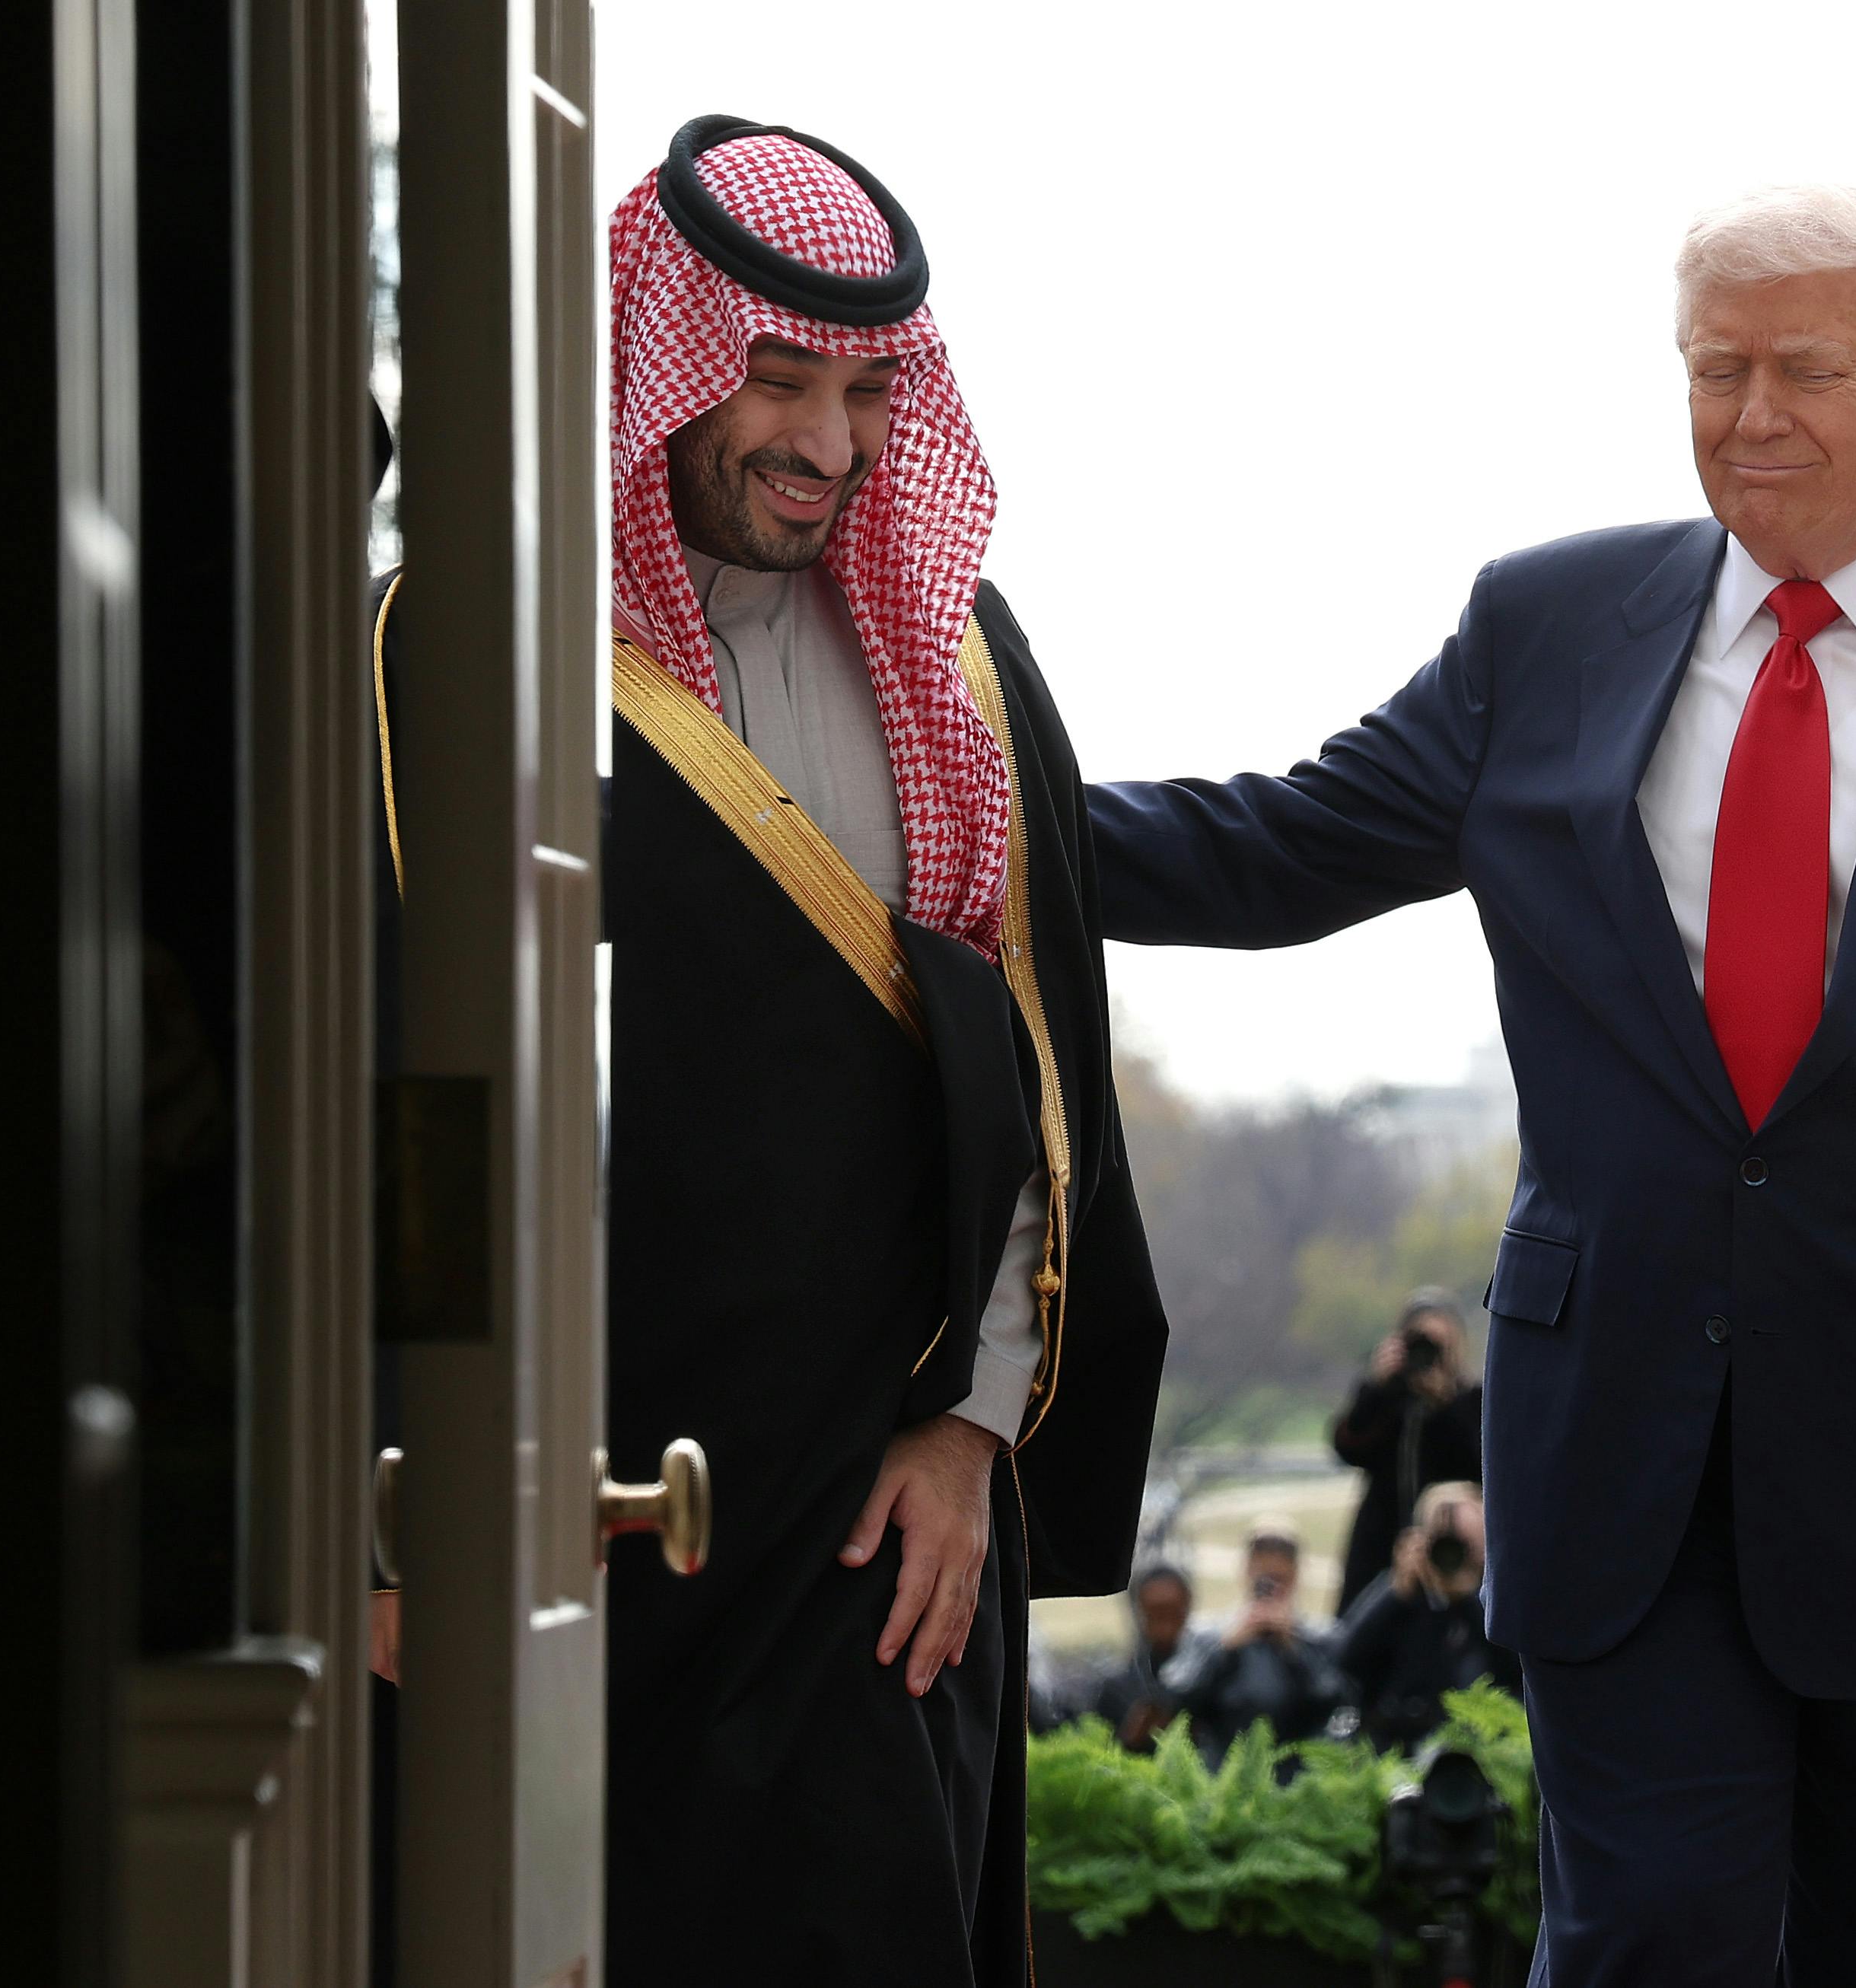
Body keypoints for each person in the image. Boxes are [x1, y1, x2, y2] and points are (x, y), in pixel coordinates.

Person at [1087, 184, 1856, 1986]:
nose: (1749, 413)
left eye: (1804, 370)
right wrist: (970, 807)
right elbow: (1279, 847)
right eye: (1712, 368)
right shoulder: (1546, 627)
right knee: (1646, 1935)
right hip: (1626, 1463)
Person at [368, 118, 1168, 1984]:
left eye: (867, 388)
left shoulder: (960, 662)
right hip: (543, 1515)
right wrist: (388, 1512)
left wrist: (974, 1425)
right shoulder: (451, 651)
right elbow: (394, 1101)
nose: (827, 440)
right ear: (657, 350)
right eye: (776, 377)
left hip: (864, 1518)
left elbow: (1042, 1086)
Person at [1335, 1481, 1520, 1754]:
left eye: (1473, 1546)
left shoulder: (1499, 1597)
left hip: (1483, 1748)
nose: (1458, 1557)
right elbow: (1344, 1659)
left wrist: (1470, 1599)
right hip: (1398, 1747)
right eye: (1449, 1543)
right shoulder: (1401, 1596)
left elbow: (1515, 1667)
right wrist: (1396, 1594)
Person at [1332, 1289, 1485, 1607]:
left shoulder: (1471, 1401)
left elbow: (1481, 1467)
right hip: (1381, 1542)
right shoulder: (1388, 1400)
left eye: (1439, 1346)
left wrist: (1445, 1405)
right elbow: (1348, 1448)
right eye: (1420, 1343)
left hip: (1452, 1545)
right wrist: (1375, 1386)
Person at [1165, 1524, 1349, 1761]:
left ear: (1295, 1575)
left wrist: (1293, 1649)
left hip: (1298, 1772)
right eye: (1264, 1580)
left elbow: (1336, 1703)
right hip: (1222, 1768)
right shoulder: (1205, 1635)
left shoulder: (1321, 1636)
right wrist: (1225, 1650)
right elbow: (1178, 1701)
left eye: (1280, 1579)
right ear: (1247, 1571)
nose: (1272, 1589)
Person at [1090, 1562, 1211, 1751]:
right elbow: (1100, 1757)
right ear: (1140, 1613)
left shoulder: (1210, 1675)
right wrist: (1132, 1735)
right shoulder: (1117, 1688)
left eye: (1173, 1613)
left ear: (1187, 1608)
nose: (1165, 1627)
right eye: (1156, 1615)